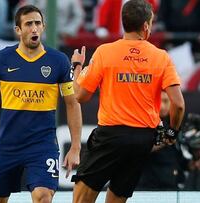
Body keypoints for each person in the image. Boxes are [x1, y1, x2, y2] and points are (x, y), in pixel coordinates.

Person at [71, 0, 185, 202]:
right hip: (142, 140)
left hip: (110, 136)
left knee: (81, 199)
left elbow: (80, 96)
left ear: (124, 23)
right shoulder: (161, 57)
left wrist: (77, 67)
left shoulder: (105, 52)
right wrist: (172, 131)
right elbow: (178, 104)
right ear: (146, 26)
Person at [0, 5, 81, 203]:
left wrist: (75, 148)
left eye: (38, 23)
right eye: (29, 24)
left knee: (43, 196)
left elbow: (72, 104)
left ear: (44, 27)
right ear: (18, 30)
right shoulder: (2, 59)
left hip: (42, 145)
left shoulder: (58, 61)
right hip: (7, 146)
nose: (34, 28)